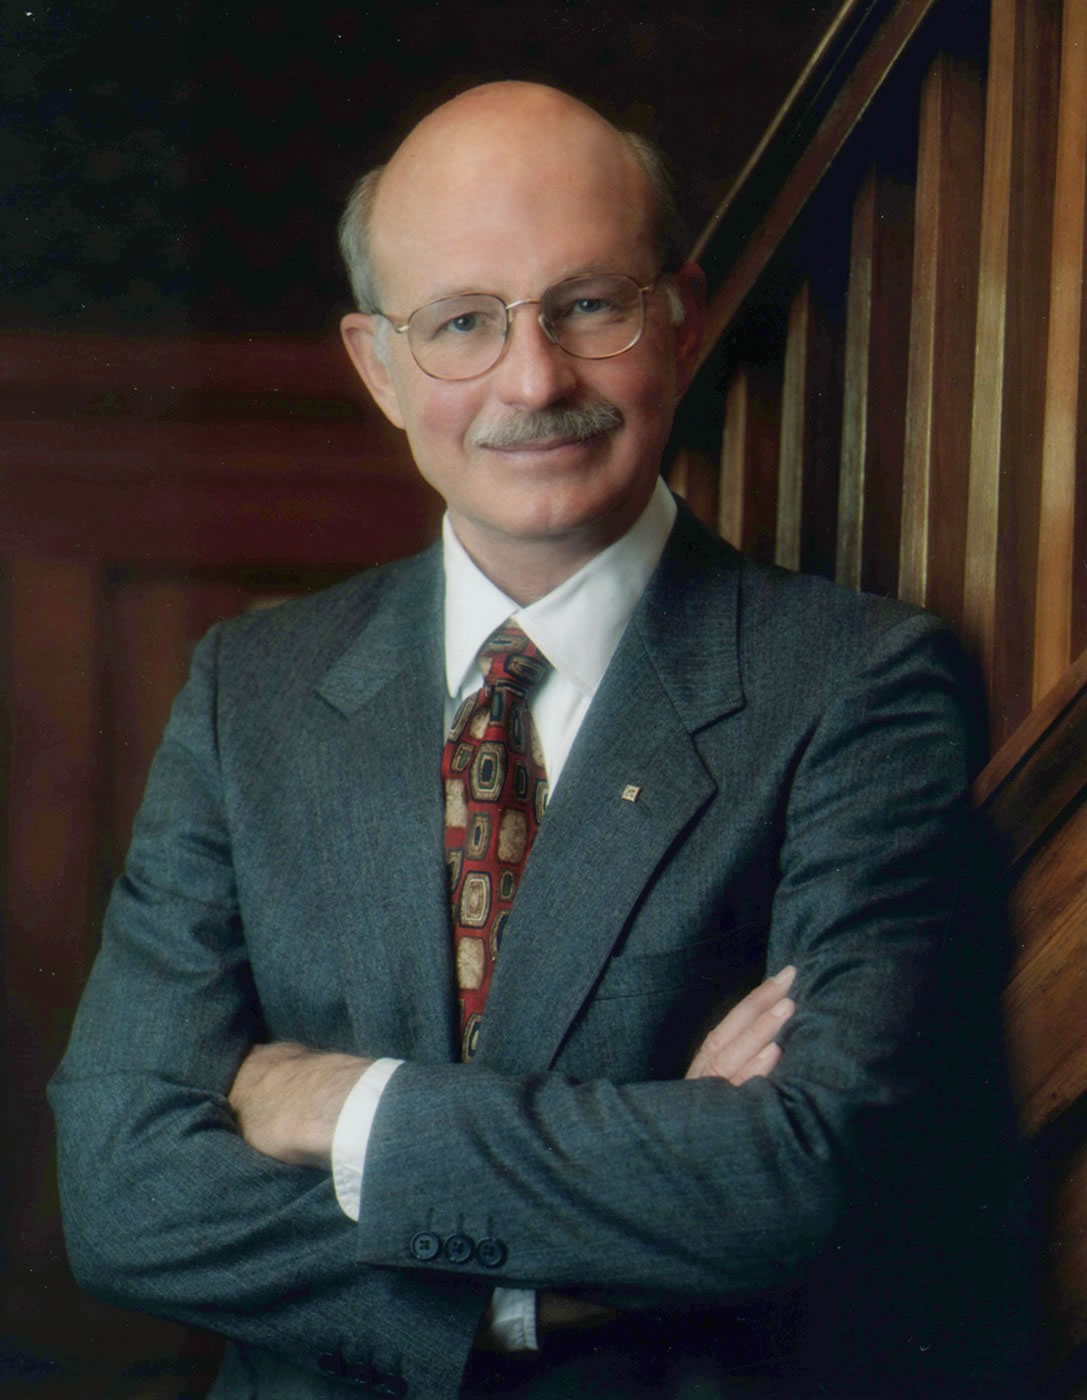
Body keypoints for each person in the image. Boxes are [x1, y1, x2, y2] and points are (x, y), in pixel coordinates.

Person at [50, 82, 1017, 1399]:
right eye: (462, 324)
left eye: (589, 306)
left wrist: (334, 1105)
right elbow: (120, 1192)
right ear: (378, 370)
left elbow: (790, 1181)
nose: (535, 379)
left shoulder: (856, 686)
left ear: (677, 317)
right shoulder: (251, 690)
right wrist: (524, 1292)